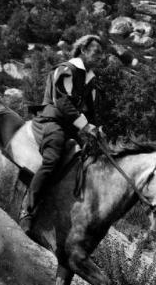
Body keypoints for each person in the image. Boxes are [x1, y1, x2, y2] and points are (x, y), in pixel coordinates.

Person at [20, 34, 105, 234]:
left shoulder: (90, 80)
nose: (100, 58)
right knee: (52, 159)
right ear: (83, 50)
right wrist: (86, 127)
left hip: (71, 128)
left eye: (101, 55)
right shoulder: (67, 70)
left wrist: (97, 129)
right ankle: (28, 209)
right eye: (96, 53)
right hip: (52, 122)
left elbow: (91, 113)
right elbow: (63, 102)